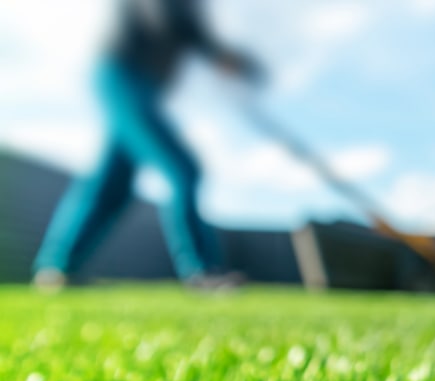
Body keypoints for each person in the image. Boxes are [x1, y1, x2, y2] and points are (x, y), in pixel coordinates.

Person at [32, 0, 264, 292]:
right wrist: (214, 52)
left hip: (138, 83)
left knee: (112, 186)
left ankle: (56, 270)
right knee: (182, 169)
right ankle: (203, 271)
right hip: (121, 74)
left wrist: (229, 59)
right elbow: (164, 17)